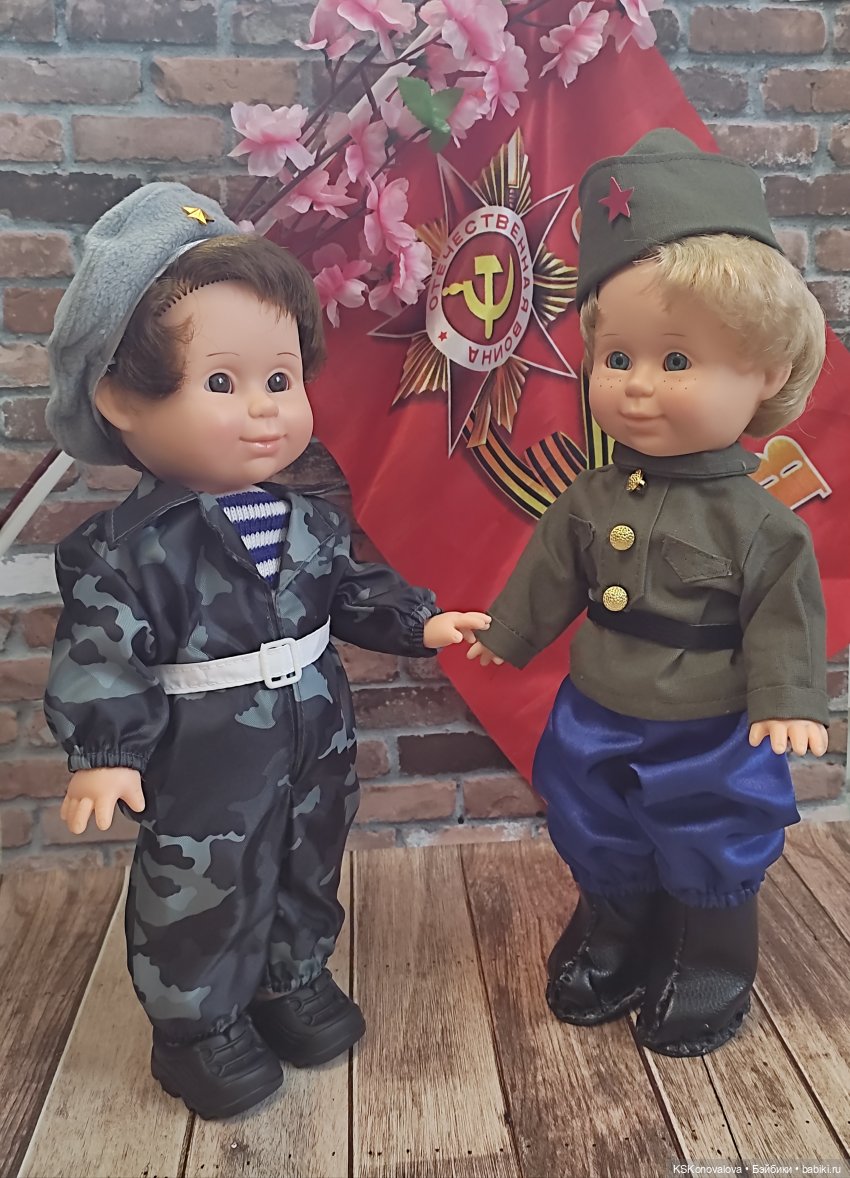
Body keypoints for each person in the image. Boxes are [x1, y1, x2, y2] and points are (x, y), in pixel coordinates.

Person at [43, 182, 490, 1119]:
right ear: (121, 397)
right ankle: (198, 1024)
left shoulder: (310, 518)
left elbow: (354, 590)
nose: (264, 411)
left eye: (280, 381)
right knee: (202, 881)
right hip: (205, 754)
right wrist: (105, 752)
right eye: (223, 383)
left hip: (314, 734)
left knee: (306, 853)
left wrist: (420, 623)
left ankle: (291, 976)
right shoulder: (122, 551)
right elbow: (103, 653)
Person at [467, 129, 828, 1057]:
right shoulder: (588, 498)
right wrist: (507, 636)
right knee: (594, 817)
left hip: (709, 726)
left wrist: (787, 701)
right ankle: (616, 926)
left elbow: (784, 618)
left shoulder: (761, 524)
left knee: (711, 836)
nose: (636, 388)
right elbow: (551, 574)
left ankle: (709, 956)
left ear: (767, 375)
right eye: (617, 358)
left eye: (677, 362)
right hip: (598, 707)